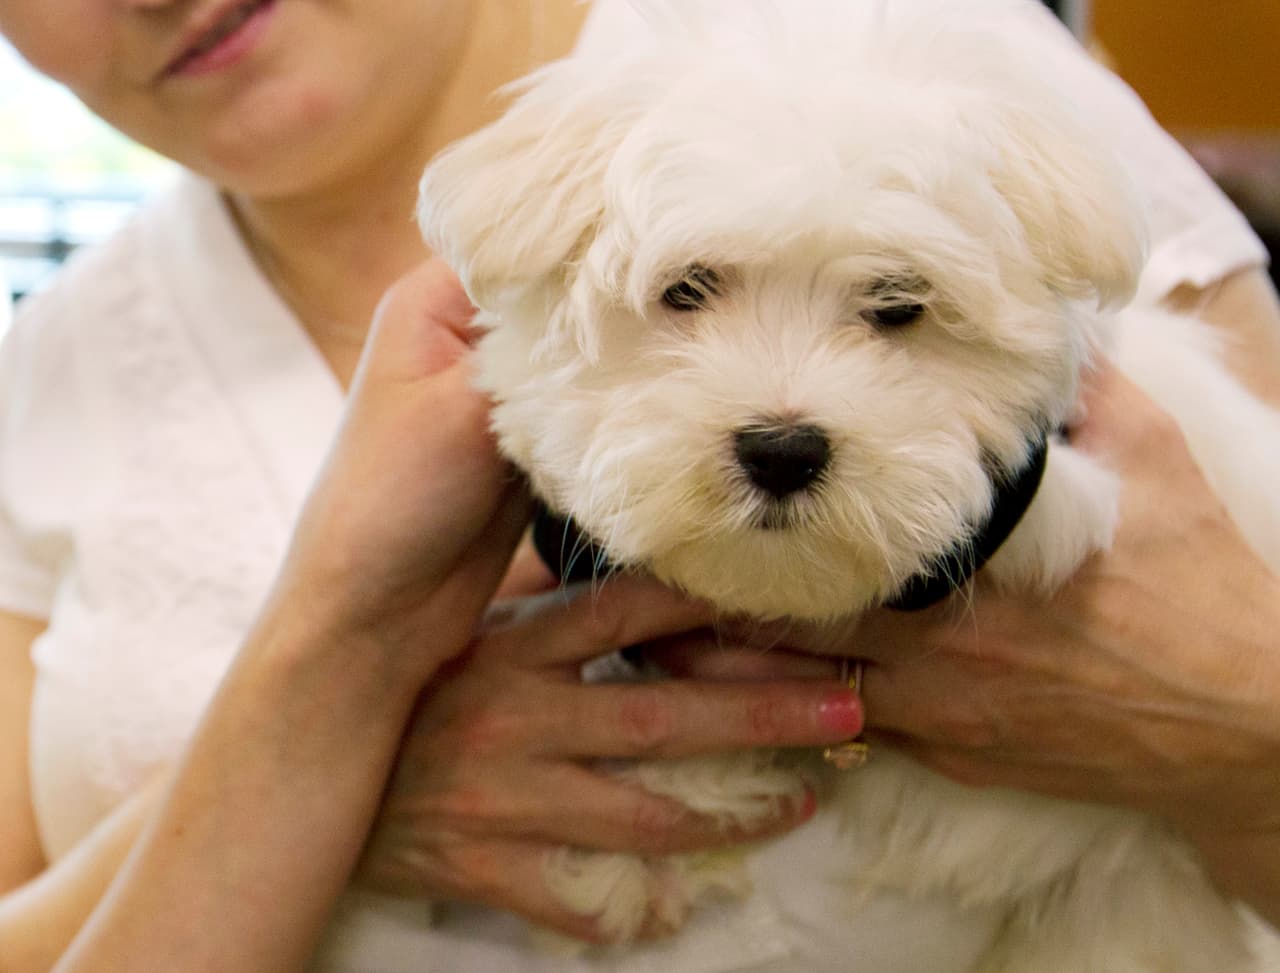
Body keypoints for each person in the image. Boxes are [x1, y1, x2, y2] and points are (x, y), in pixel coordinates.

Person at [0, 1, 1274, 971]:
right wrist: (318, 761)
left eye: (889, 307)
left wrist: (1230, 727)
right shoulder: (43, 374)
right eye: (683, 295)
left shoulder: (920, 59)